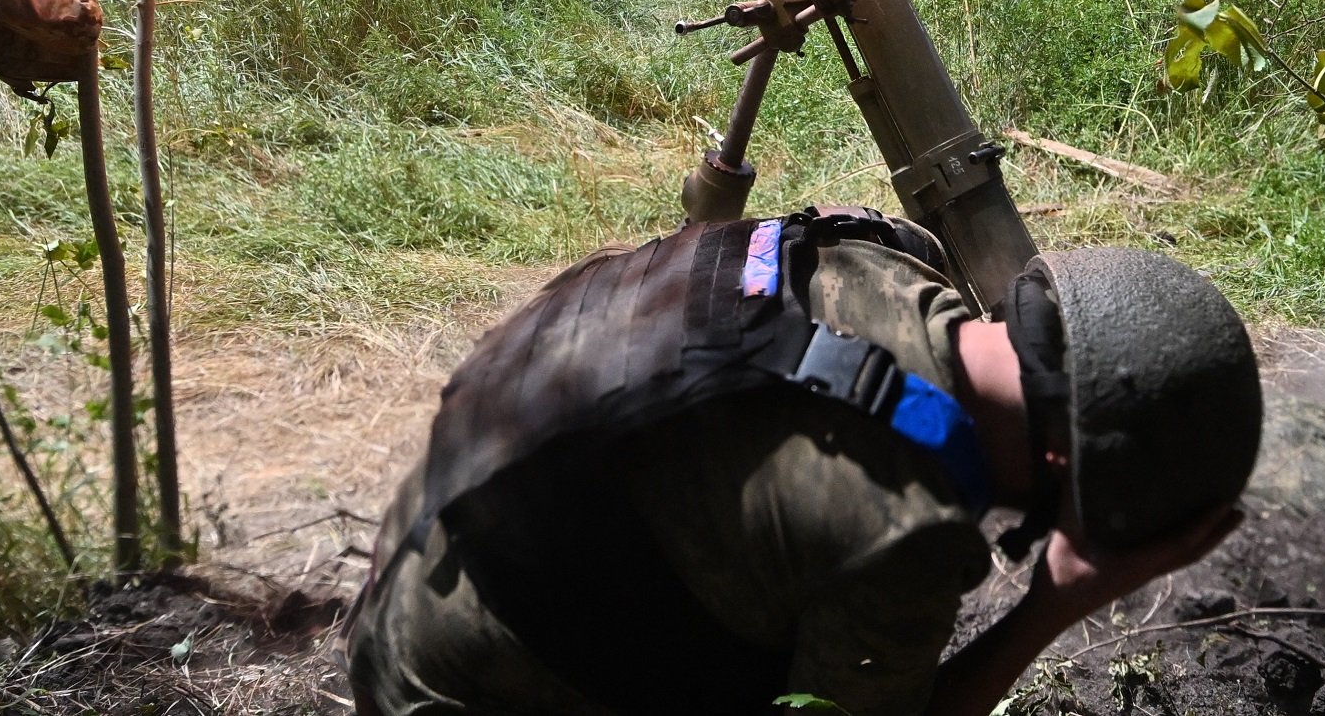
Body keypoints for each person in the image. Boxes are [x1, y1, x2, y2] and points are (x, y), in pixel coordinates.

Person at [345, 206, 1261, 716]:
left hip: (428, 530)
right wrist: (1055, 602)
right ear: (1067, 461)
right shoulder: (904, 533)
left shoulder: (887, 259)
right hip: (441, 682)